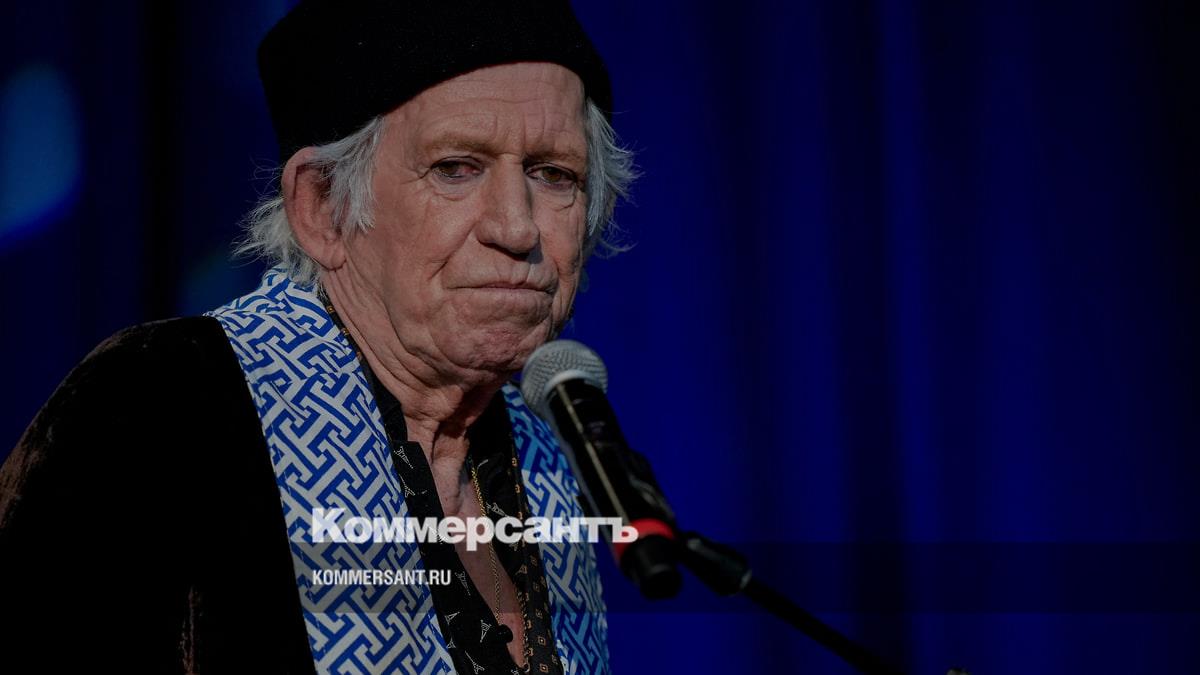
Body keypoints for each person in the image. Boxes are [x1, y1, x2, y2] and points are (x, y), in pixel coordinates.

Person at [0, 2, 635, 673]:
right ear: (323, 207)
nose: (517, 226)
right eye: (456, 167)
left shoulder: (546, 459)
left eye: (554, 175)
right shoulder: (163, 401)